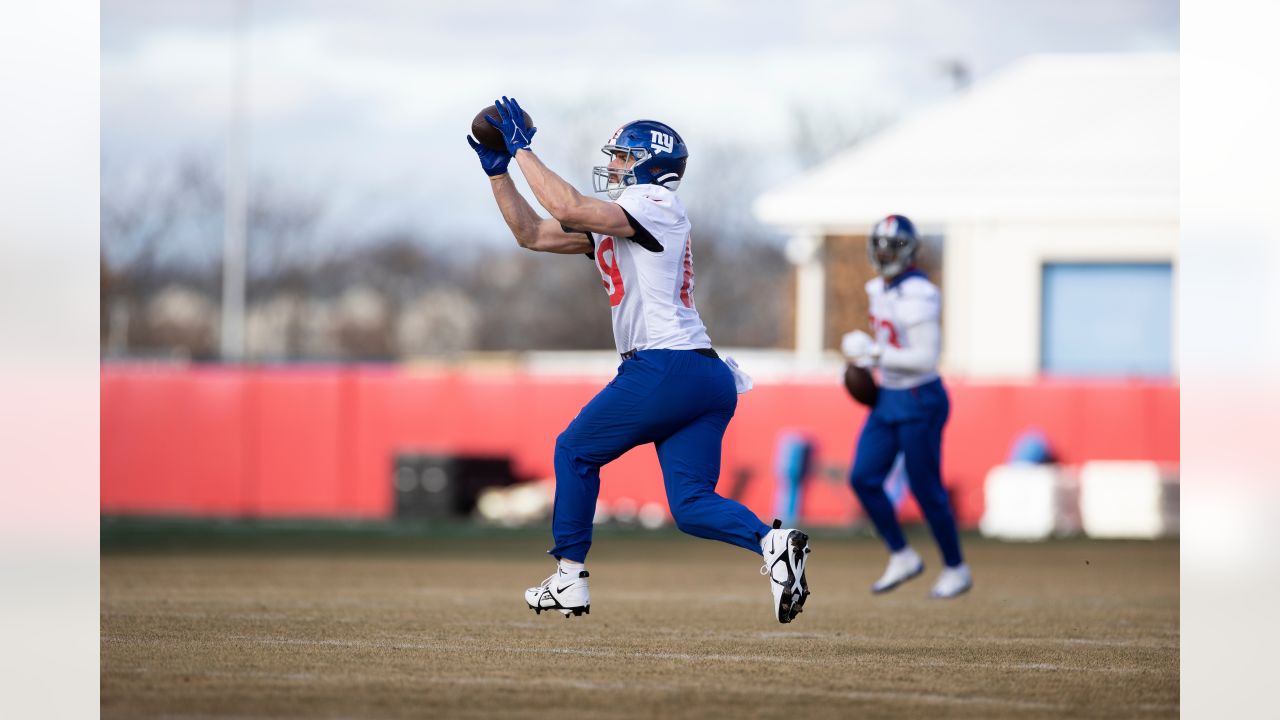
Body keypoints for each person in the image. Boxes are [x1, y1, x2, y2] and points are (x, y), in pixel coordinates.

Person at [466, 96, 811, 623]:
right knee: (692, 506)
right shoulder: (629, 217)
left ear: (650, 161)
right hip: (700, 375)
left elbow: (568, 208)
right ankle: (772, 544)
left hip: (664, 365)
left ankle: (569, 578)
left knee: (575, 451)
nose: (615, 166)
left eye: (624, 157)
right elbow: (531, 233)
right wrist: (499, 174)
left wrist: (523, 148)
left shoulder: (655, 202)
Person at [840, 215, 972, 599]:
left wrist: (875, 352)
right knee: (863, 477)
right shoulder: (878, 288)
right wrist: (862, 361)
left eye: (893, 246)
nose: (884, 253)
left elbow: (926, 358)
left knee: (925, 487)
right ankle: (901, 555)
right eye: (880, 245)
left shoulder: (919, 293)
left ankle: (956, 568)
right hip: (889, 396)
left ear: (910, 250)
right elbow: (887, 345)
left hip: (920, 397)